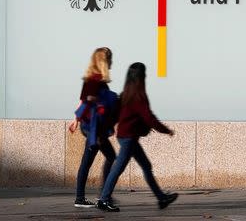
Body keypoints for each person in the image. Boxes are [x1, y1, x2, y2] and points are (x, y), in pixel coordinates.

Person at [97, 62, 178, 212]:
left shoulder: (126, 94)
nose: (146, 76)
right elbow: (149, 118)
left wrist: (103, 131)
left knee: (146, 166)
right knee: (118, 168)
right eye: (145, 74)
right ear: (141, 77)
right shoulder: (138, 96)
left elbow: (116, 116)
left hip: (127, 137)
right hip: (128, 139)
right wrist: (166, 130)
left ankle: (161, 198)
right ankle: (104, 199)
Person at [68, 47, 118, 208]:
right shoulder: (96, 80)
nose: (112, 62)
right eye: (110, 59)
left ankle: (81, 198)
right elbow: (88, 101)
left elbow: (82, 101)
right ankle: (103, 195)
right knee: (111, 157)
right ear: (105, 61)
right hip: (94, 129)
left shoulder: (90, 79)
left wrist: (76, 119)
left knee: (87, 161)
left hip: (90, 127)